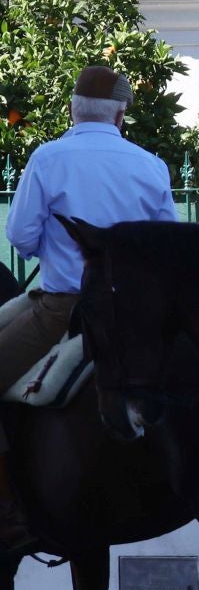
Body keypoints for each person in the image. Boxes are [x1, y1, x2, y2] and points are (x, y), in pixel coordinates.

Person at [0, 66, 176, 554]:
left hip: (62, 308)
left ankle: (7, 507)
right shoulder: (151, 165)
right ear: (121, 114)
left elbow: (19, 236)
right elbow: (167, 243)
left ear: (73, 110)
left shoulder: (49, 157)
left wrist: (52, 251)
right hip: (138, 312)